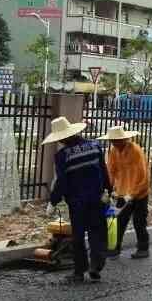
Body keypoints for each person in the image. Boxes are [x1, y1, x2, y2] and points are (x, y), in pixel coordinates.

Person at [44, 116, 110, 283]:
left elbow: (62, 182)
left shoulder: (62, 156)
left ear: (65, 137)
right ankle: (96, 266)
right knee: (98, 234)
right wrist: (108, 190)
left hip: (77, 202)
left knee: (78, 236)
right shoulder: (95, 146)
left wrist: (53, 201)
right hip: (97, 198)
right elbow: (104, 170)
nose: (60, 142)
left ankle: (79, 272)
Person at [100, 125, 151, 259]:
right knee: (117, 221)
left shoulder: (135, 151)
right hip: (122, 192)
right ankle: (114, 249)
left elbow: (143, 178)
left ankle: (143, 248)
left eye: (116, 140)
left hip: (139, 194)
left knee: (139, 221)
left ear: (124, 139)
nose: (114, 143)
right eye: (112, 140)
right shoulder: (113, 151)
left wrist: (131, 195)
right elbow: (111, 172)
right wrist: (108, 190)